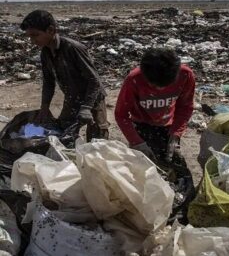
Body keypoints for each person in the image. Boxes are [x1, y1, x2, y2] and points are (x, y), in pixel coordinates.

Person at [20, 10, 109, 141]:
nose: (32, 40)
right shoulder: (45, 52)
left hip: (92, 98)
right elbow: (48, 82)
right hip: (72, 97)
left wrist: (87, 107)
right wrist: (44, 107)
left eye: (35, 35)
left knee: (98, 137)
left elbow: (94, 80)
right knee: (63, 133)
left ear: (50, 30)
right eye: (29, 37)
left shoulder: (72, 48)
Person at [115, 48, 195, 167]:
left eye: (165, 85)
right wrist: (137, 142)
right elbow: (121, 115)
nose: (159, 90)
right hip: (141, 125)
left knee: (174, 164)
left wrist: (176, 133)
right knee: (142, 166)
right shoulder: (134, 79)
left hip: (168, 126)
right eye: (153, 85)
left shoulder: (185, 75)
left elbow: (185, 106)